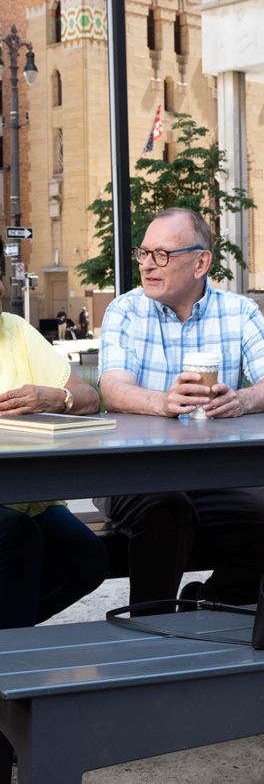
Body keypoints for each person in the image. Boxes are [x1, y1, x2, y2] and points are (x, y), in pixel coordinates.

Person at [97, 207, 264, 610]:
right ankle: (150, 631)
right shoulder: (126, 310)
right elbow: (112, 389)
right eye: (144, 253)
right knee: (167, 509)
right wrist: (163, 403)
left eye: (163, 255)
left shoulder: (239, 312)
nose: (148, 265)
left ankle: (204, 606)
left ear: (201, 262)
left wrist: (242, 400)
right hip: (135, 469)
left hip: (216, 469)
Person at [0, 280, 108, 783]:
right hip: (12, 517)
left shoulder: (16, 331)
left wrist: (58, 396)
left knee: (87, 558)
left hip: (28, 495)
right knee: (17, 540)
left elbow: (89, 396)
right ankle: (7, 727)